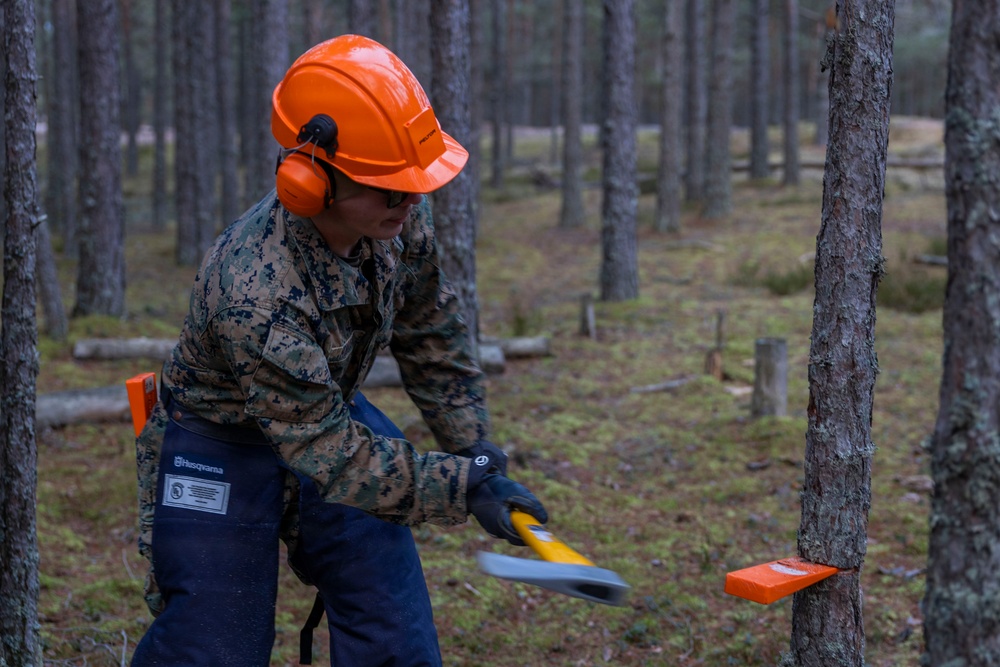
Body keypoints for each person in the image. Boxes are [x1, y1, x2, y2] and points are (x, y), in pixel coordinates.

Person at [130, 34, 548, 666]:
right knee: (211, 648)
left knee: (395, 631)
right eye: (390, 188)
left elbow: (430, 334)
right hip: (221, 441)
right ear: (311, 180)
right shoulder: (255, 287)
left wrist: (475, 452)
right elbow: (332, 455)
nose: (411, 201)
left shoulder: (397, 221)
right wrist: (461, 488)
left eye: (413, 185)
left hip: (330, 417)